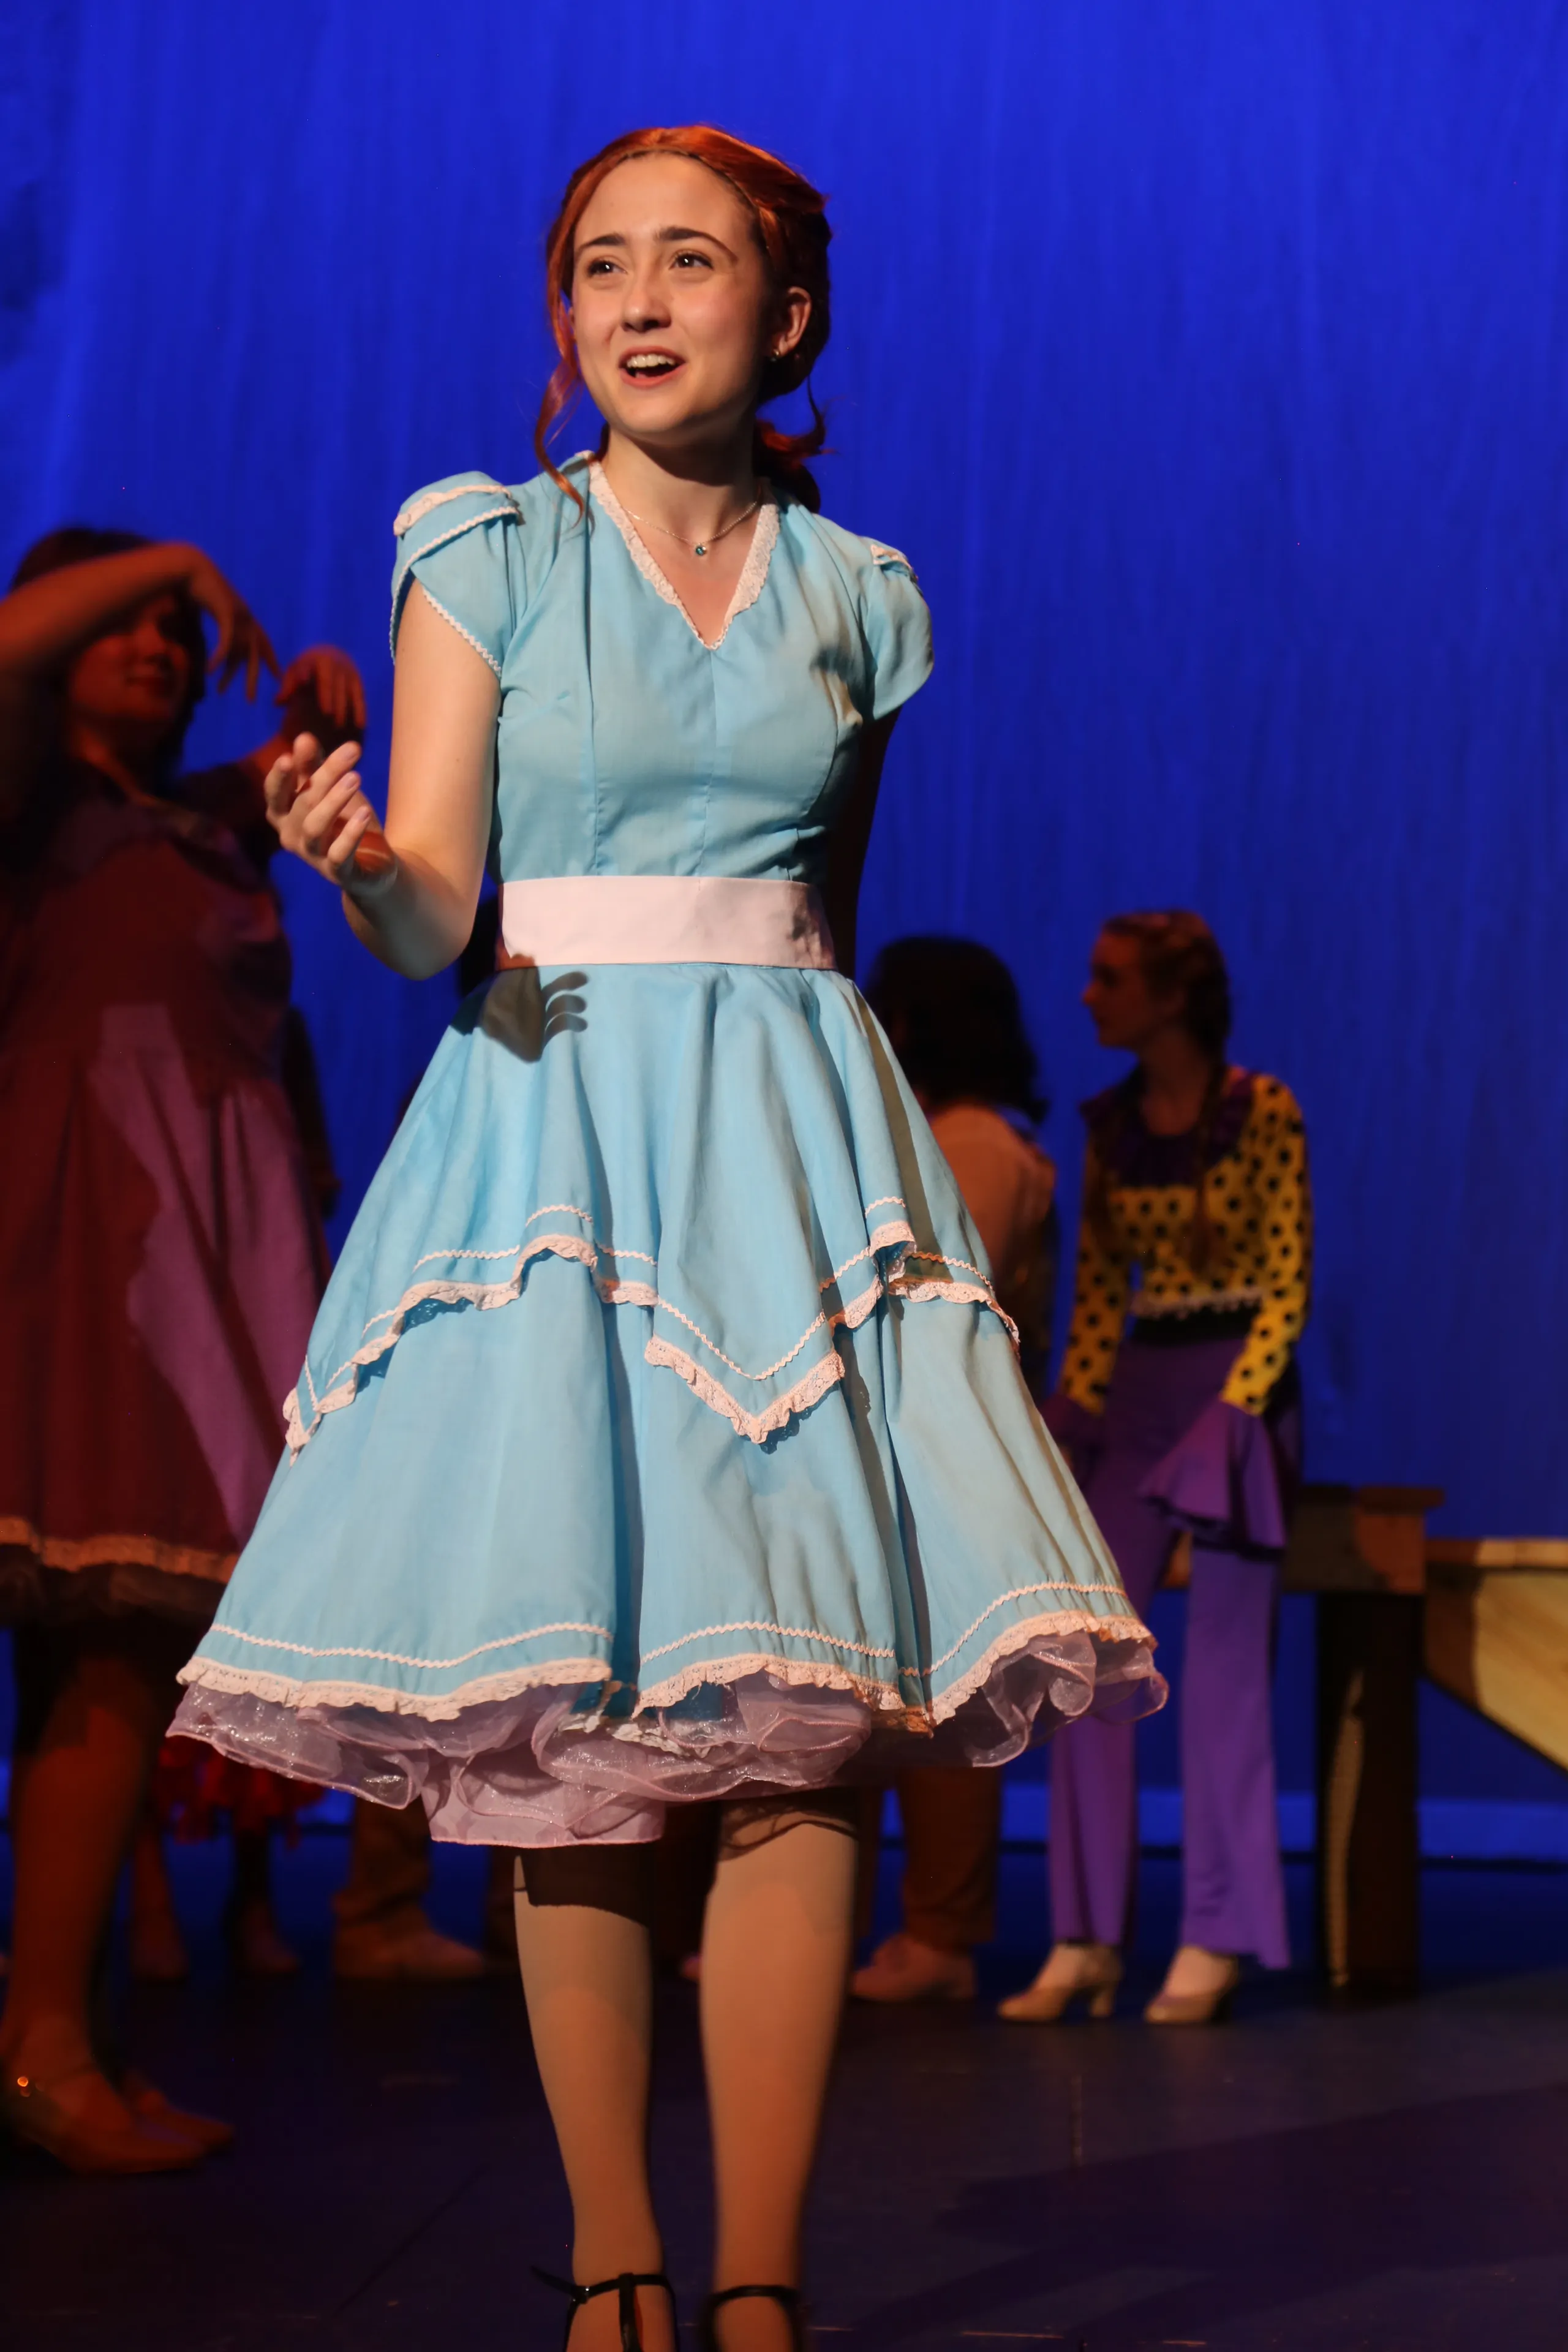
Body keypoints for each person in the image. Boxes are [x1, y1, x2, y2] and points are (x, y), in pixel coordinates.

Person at [173, 127, 1160, 2349]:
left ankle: (759, 2285)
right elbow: (442, 899)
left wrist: (872, 1164)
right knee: (579, 1726)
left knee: (804, 1722)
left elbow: (826, 915)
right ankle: (619, 2263)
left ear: (782, 316)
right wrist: (351, 860)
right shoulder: (486, 553)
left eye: (687, 262)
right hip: (555, 1125)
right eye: (596, 266)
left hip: (791, 1147)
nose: (635, 301)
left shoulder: (863, 594)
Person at [0, 522, 361, 2171]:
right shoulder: (37, 812)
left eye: (173, 628)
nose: (156, 641)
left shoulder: (190, 824)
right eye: (125, 623)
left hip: (204, 1271)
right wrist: (184, 555)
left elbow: (319, 786)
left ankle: (83, 2038)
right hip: (92, 1259)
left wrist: (319, 715)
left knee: (122, 1669)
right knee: (111, 1651)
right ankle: (49, 2051)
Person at [1000, 911, 1310, 2030]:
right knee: (1092, 1658)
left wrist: (1236, 1411)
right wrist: (1071, 1414)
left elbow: (1286, 1282)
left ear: (1171, 998)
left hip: (1236, 1395)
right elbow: (1096, 1298)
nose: (1088, 997)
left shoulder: (1262, 1112)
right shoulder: (1111, 1127)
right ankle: (1086, 1935)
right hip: (1140, 1389)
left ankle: (1219, 1931)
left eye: (1111, 979)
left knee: (1224, 1674)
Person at [850, 937, 1058, 2004]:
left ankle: (941, 1933)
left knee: (948, 1702)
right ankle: (918, 1929)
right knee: (899, 1701)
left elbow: (939, 1291)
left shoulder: (973, 1142)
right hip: (916, 1438)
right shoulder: (946, 1134)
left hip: (943, 1446)